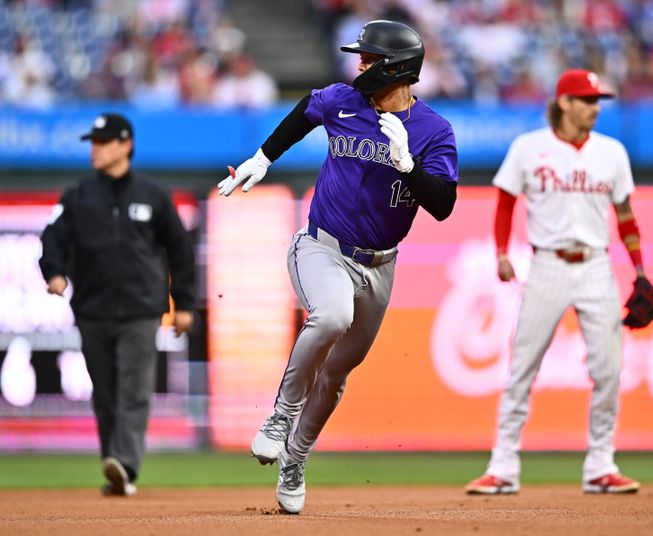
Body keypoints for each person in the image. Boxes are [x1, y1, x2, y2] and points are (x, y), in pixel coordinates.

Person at [217, 20, 458, 514]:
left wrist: (408, 166)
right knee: (331, 316)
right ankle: (280, 418)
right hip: (322, 246)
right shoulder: (343, 100)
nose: (359, 65)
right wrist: (262, 157)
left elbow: (444, 205)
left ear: (397, 68)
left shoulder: (433, 130)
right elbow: (306, 110)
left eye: (368, 59)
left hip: (380, 267)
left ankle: (296, 459)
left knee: (337, 374)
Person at [465, 69, 653, 496]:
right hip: (547, 265)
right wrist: (501, 252)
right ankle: (503, 465)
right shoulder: (529, 148)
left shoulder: (612, 152)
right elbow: (504, 203)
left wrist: (640, 269)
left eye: (597, 101)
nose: (595, 108)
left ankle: (601, 464)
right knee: (522, 368)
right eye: (588, 100)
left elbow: (625, 215)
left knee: (609, 369)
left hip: (596, 267)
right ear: (565, 103)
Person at [39, 113, 196, 497]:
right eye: (93, 142)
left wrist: (186, 304)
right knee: (105, 394)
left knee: (134, 389)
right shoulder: (78, 196)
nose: (95, 148)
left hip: (141, 310)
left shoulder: (152, 195)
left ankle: (124, 463)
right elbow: (52, 239)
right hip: (93, 310)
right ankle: (116, 465)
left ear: (125, 144)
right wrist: (55, 273)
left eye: (103, 141)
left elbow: (180, 251)